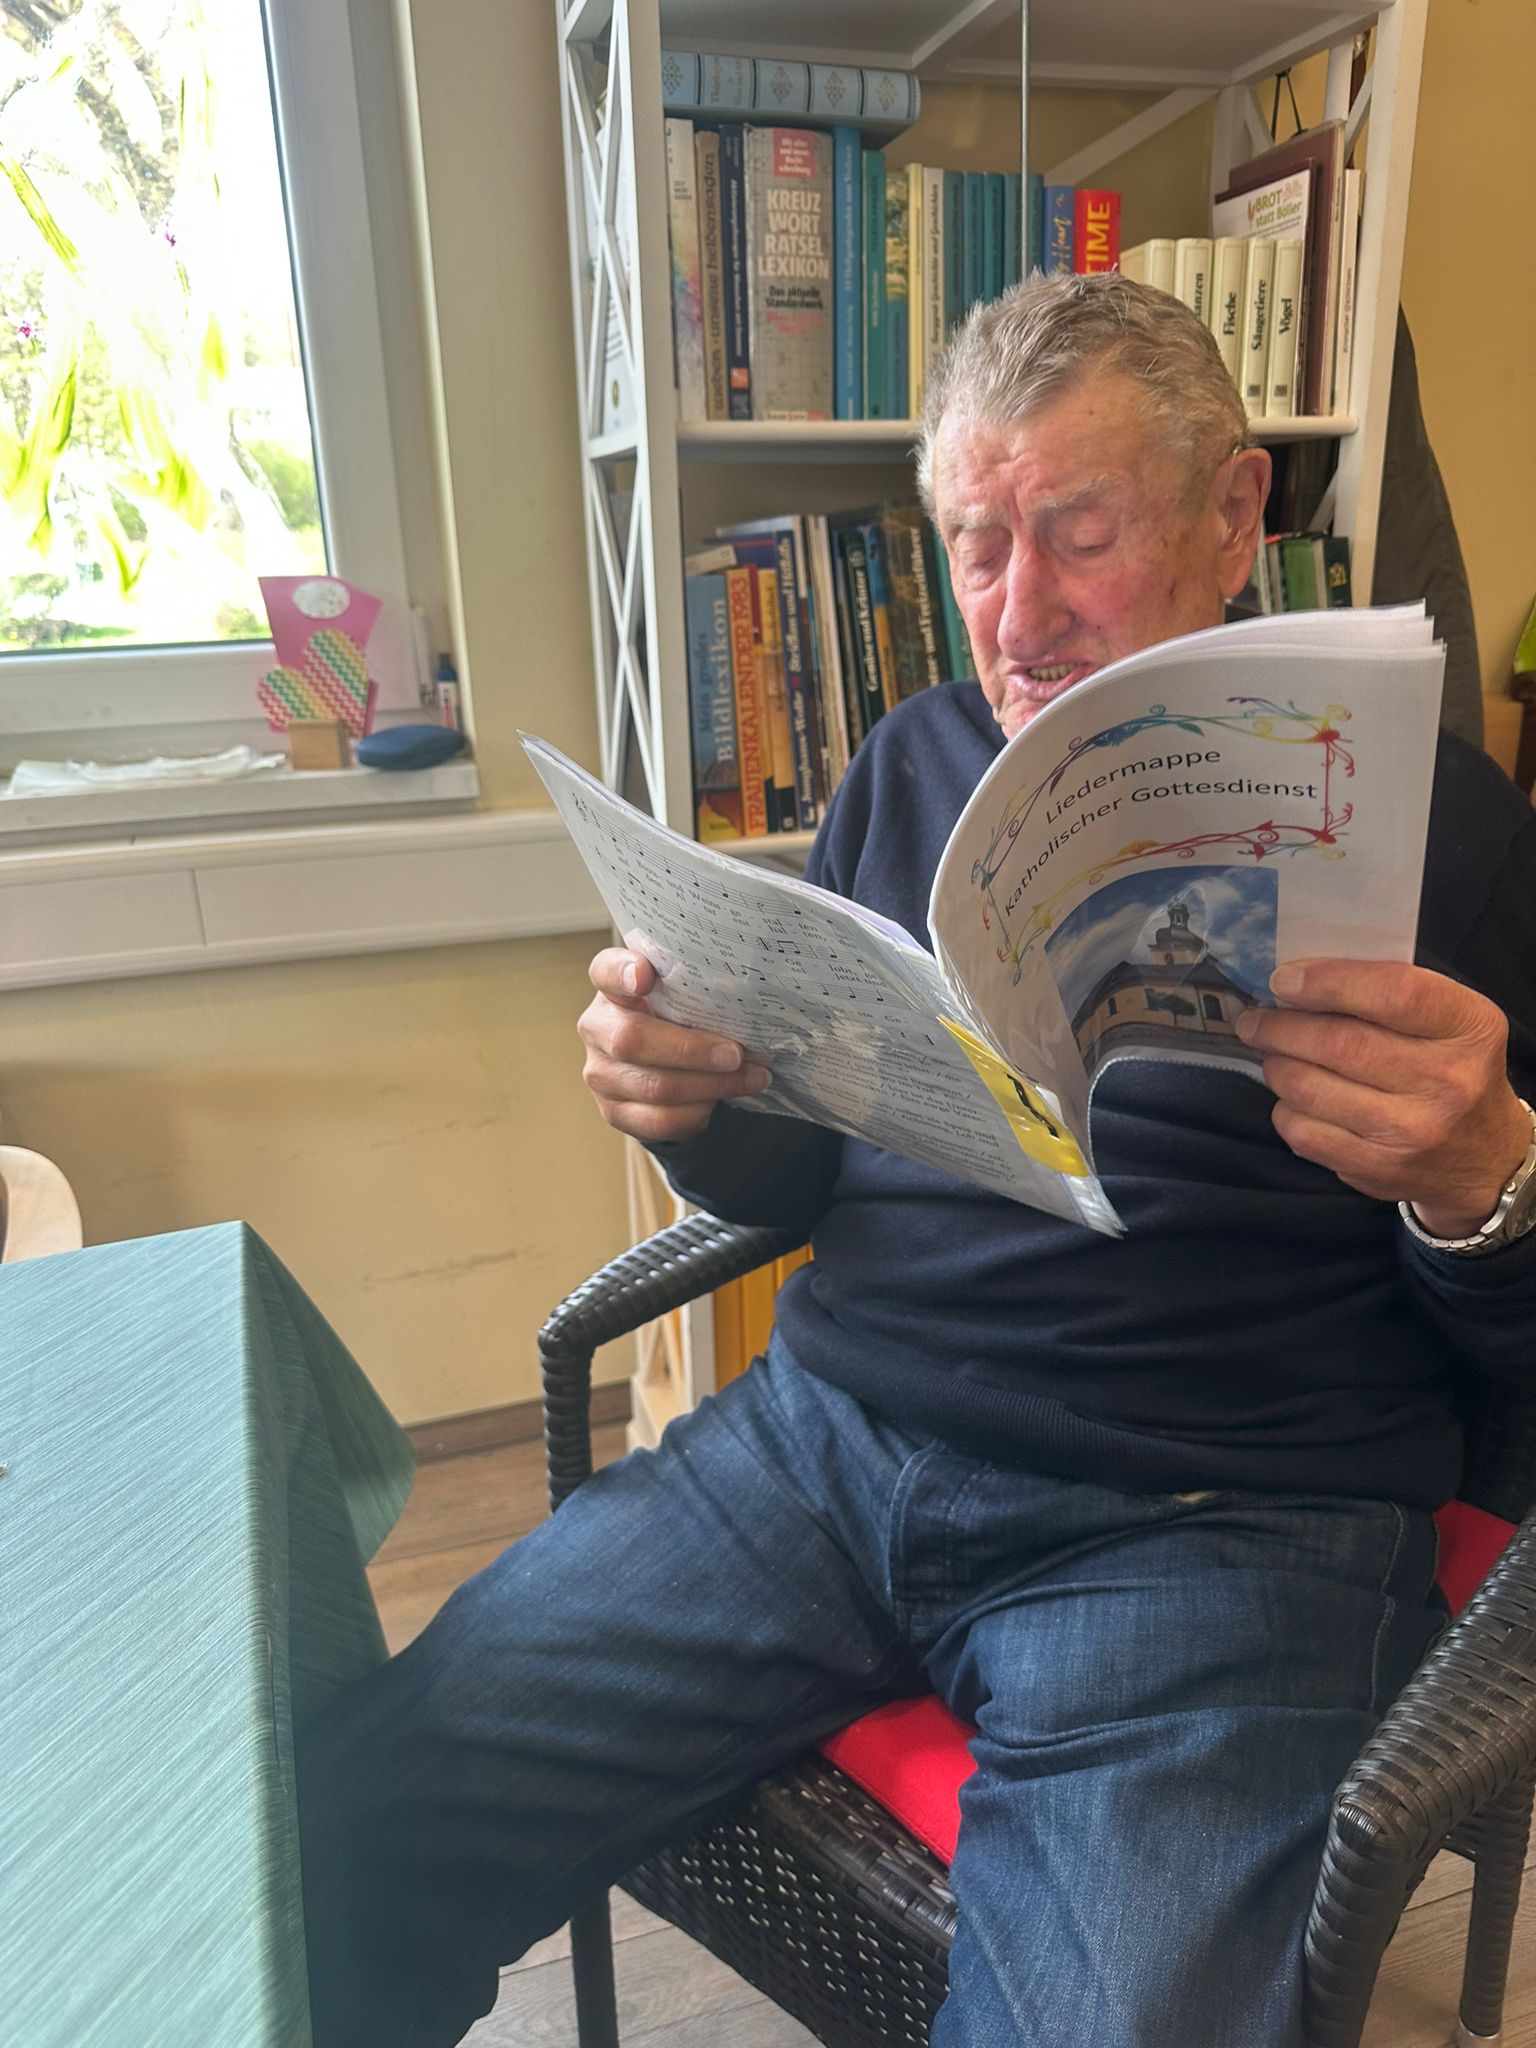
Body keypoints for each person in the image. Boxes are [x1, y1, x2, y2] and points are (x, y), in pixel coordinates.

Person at [297, 274, 1536, 2048]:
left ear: (1232, 514)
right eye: (975, 548)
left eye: (1079, 534)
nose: (1016, 617)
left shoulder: (1454, 830)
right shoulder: (912, 762)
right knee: (336, 1835)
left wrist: (1487, 1179)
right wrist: (701, 1108)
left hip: (1211, 1526)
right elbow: (806, 1179)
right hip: (821, 1448)